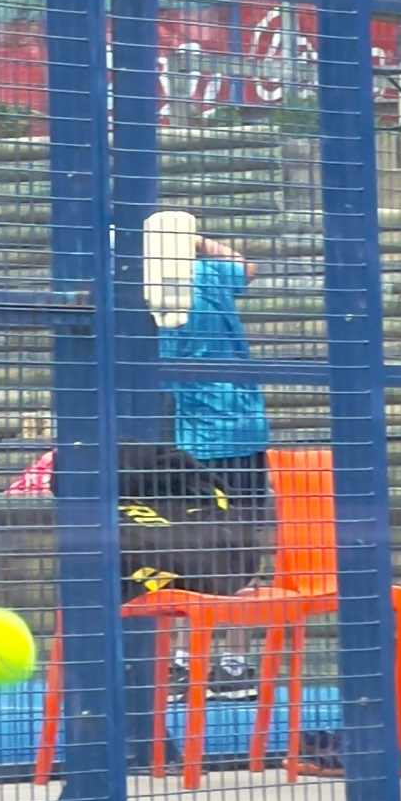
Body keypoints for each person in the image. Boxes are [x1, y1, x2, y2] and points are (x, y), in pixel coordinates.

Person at [155, 221, 273, 597]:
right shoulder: (208, 272)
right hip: (246, 424)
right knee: (245, 527)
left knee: (197, 528)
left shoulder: (160, 293)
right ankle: (241, 607)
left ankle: (195, 618)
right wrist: (199, 241)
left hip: (200, 433)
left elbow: (161, 368)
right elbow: (246, 267)